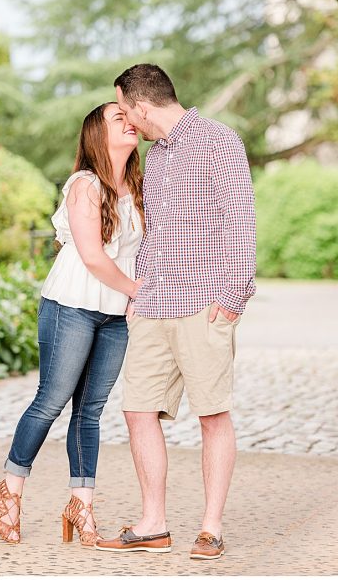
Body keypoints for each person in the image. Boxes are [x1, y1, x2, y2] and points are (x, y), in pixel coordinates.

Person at [95, 64, 256, 560]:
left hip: (203, 306)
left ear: (142, 107)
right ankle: (153, 524)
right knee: (138, 409)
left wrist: (233, 297)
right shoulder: (157, 156)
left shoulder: (218, 140)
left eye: (124, 110)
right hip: (152, 305)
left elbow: (241, 221)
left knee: (212, 414)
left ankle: (210, 527)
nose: (125, 120)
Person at [0, 102, 144, 546]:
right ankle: (10, 493)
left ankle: (81, 504)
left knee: (90, 411)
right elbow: (93, 257)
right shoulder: (84, 185)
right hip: (71, 305)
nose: (130, 121)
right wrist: (138, 291)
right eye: (120, 118)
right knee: (50, 401)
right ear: (98, 133)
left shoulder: (136, 185)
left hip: (115, 314)